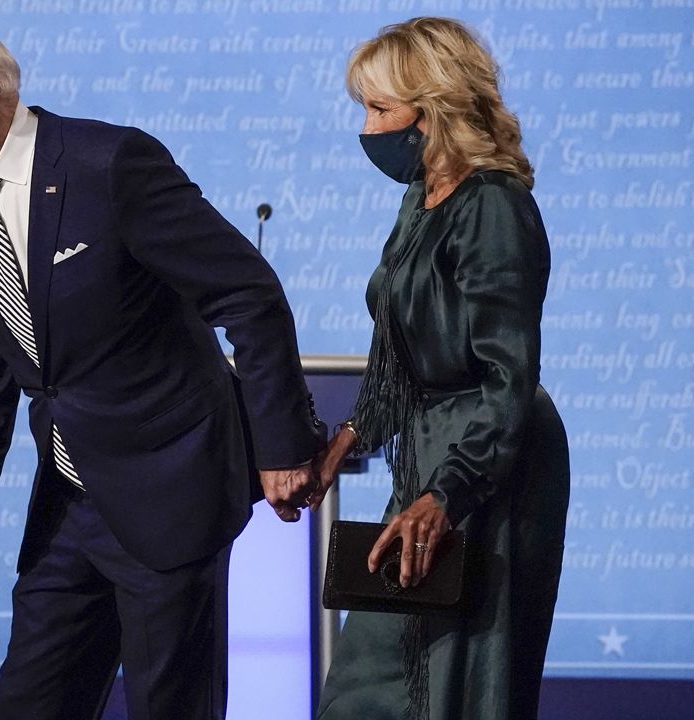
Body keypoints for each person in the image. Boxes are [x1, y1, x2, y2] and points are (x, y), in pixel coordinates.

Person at [0, 13, 326, 720]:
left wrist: (280, 446)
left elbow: (249, 293)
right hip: (68, 509)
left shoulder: (109, 164)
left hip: (172, 492)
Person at [308, 17, 571, 720]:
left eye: (380, 109)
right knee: (374, 682)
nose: (367, 128)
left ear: (433, 111)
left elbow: (506, 375)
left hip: (490, 464)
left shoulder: (493, 208)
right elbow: (401, 353)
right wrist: (351, 437)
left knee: (455, 680)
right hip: (431, 457)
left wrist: (448, 494)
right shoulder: (420, 201)